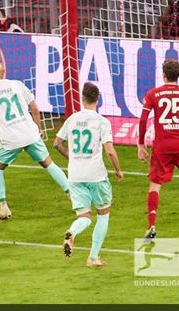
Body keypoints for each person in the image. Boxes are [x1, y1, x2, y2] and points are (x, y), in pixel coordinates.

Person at [0, 61, 70, 219]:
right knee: (48, 163)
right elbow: (34, 108)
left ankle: (3, 206)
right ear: (4, 72)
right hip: (29, 133)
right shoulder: (17, 85)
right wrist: (39, 129)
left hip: (10, 138)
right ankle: (73, 197)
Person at [54, 82, 124, 268]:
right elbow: (109, 151)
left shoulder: (72, 119)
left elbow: (57, 143)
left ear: (82, 98)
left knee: (84, 217)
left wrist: (72, 157)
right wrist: (117, 170)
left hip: (75, 175)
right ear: (97, 99)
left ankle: (72, 232)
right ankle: (93, 257)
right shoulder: (102, 121)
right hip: (96, 176)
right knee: (103, 214)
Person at [138, 59, 179, 238]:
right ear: (178, 75)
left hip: (162, 146)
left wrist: (141, 144)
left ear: (163, 75)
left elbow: (143, 119)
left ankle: (151, 226)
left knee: (155, 184)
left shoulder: (153, 94)